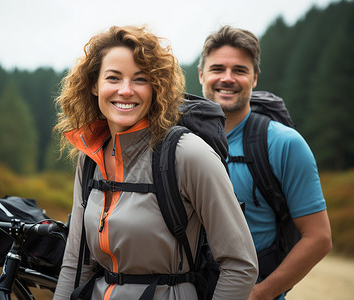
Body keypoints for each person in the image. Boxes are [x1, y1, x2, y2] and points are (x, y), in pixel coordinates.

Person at [53, 25, 258, 300]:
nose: (125, 91)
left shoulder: (187, 154)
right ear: (94, 85)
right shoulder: (91, 156)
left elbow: (241, 265)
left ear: (156, 87)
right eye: (113, 78)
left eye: (140, 80)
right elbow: (76, 262)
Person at [197, 25, 333, 300]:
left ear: (255, 78)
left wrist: (259, 294)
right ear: (201, 75)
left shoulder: (284, 143)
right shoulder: (183, 141)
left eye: (240, 70)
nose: (227, 78)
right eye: (217, 69)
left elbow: (318, 238)